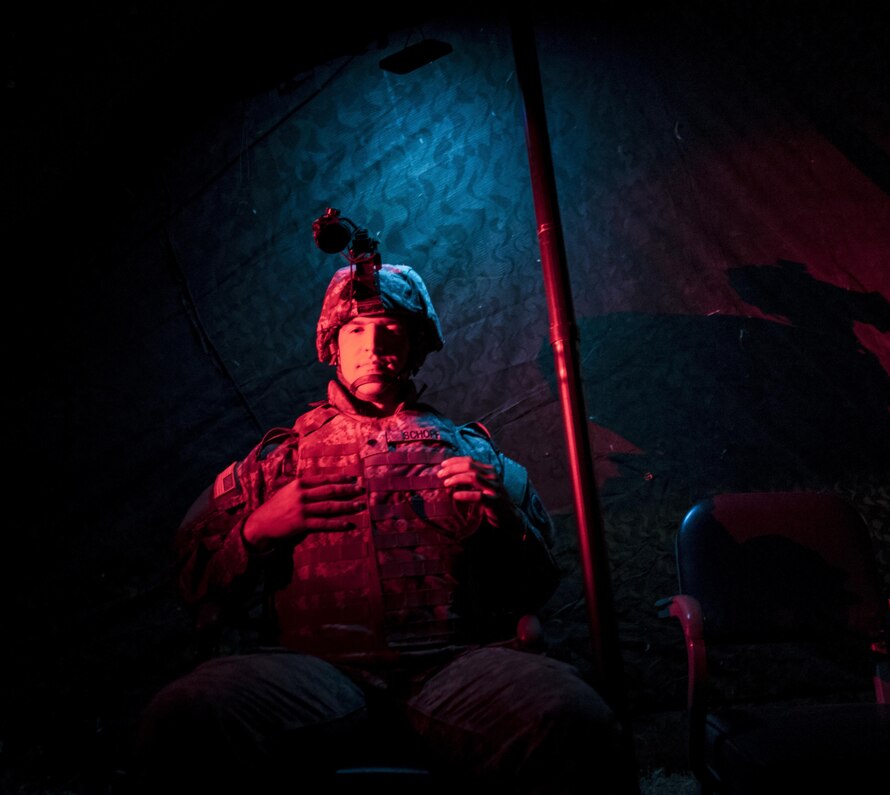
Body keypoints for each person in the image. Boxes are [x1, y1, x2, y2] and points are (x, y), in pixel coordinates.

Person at [131, 253, 626, 794]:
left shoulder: (468, 451)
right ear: (332, 346)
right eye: (356, 330)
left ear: (415, 346)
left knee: (576, 718)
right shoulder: (283, 461)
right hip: (316, 672)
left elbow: (539, 585)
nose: (372, 347)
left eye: (390, 329)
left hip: (451, 667)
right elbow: (192, 582)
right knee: (184, 716)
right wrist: (257, 533)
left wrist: (503, 518)